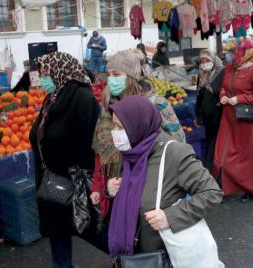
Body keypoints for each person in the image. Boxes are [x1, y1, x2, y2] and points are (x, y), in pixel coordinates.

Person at [106, 95, 223, 258]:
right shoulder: (129, 153)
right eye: (114, 126)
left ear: (138, 125)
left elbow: (211, 192)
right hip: (131, 253)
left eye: (120, 127)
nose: (114, 132)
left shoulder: (175, 153)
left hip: (163, 255)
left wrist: (171, 216)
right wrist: (112, 191)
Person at [29, 52, 107, 268]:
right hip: (52, 182)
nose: (43, 78)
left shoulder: (83, 99)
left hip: (76, 183)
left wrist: (87, 179)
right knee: (59, 233)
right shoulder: (52, 98)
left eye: (46, 73)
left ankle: (129, 257)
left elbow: (92, 143)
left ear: (59, 71)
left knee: (90, 229)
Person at [90, 49, 185, 215]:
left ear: (131, 76)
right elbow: (101, 152)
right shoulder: (107, 109)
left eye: (117, 74)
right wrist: (98, 186)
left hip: (151, 185)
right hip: (116, 186)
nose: (111, 79)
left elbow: (177, 144)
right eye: (109, 74)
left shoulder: (155, 104)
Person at [213, 39, 253, 202]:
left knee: (249, 157)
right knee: (223, 154)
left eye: (232, 52)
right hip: (229, 118)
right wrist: (223, 96)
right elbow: (223, 87)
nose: (229, 55)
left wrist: (239, 99)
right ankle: (227, 186)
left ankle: (251, 188)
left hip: (247, 120)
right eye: (229, 52)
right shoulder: (229, 68)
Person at [195, 49, 225, 173]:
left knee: (215, 144)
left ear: (213, 59)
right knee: (210, 142)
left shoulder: (222, 72)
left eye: (207, 60)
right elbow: (199, 96)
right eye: (201, 61)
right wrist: (198, 115)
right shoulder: (201, 74)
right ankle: (211, 169)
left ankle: (211, 170)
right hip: (207, 117)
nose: (204, 63)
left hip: (219, 115)